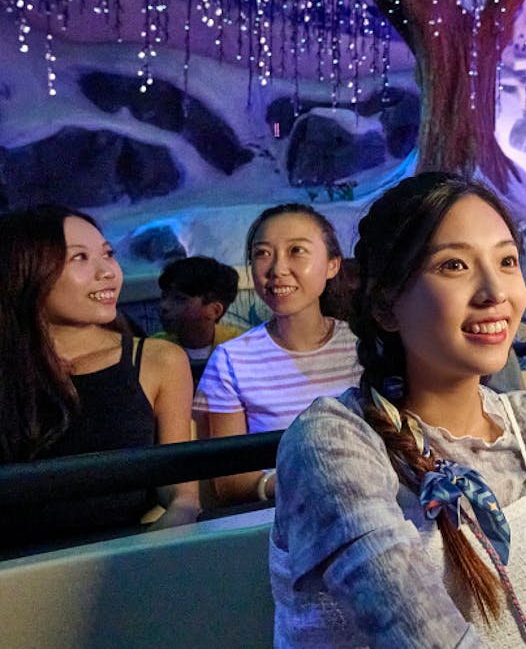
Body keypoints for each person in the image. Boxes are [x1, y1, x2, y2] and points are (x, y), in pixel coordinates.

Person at [269, 171, 526, 647]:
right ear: (385, 306)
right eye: (454, 266)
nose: (494, 292)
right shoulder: (331, 442)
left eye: (506, 261)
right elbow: (425, 634)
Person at [0, 205, 199, 548]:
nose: (107, 271)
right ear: (27, 270)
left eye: (108, 254)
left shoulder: (158, 360)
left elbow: (181, 490)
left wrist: (171, 528)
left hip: (118, 566)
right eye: (80, 258)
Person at [193, 204, 360, 506]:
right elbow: (228, 482)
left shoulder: (364, 346)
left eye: (297, 250)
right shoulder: (231, 360)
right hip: (275, 523)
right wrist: (304, 485)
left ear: (333, 264)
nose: (277, 269)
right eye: (263, 253)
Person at [153, 255, 243, 384]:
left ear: (214, 311)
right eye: (164, 296)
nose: (164, 305)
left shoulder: (239, 347)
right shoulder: (155, 349)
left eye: (179, 299)